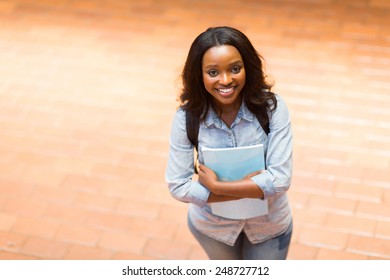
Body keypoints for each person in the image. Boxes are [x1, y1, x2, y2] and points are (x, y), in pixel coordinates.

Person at [165, 26, 293, 260]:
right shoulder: (186, 118)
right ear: (199, 74)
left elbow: (281, 179)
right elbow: (178, 185)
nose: (225, 80)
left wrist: (217, 187)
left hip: (269, 228)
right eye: (213, 72)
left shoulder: (272, 108)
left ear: (248, 67)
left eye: (235, 69)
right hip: (213, 229)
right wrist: (252, 187)